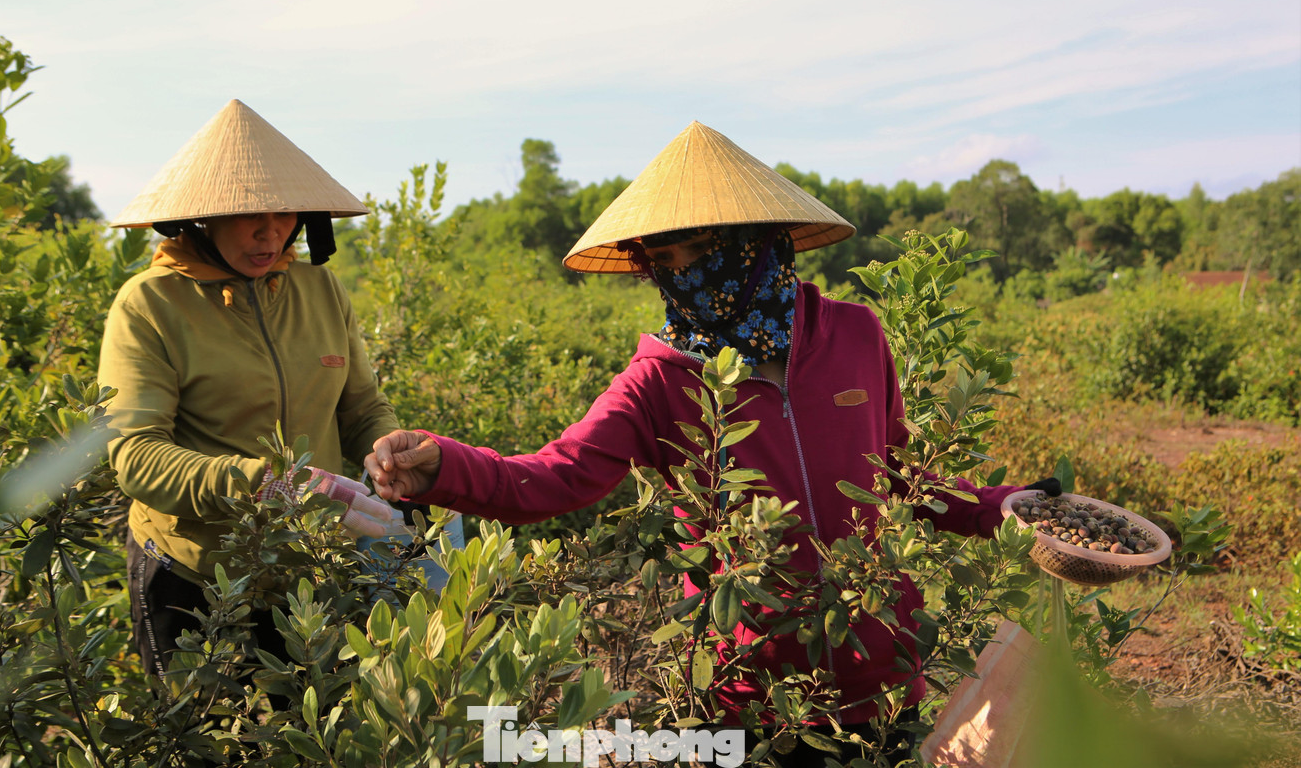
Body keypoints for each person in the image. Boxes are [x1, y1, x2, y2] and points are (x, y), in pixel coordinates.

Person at [367, 122, 1044, 764]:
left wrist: (1005, 507)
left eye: (704, 249)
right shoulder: (657, 382)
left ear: (758, 240)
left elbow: (901, 476)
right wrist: (441, 463)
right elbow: (553, 477)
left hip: (880, 671)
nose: (688, 274)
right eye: (665, 259)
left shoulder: (856, 335)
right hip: (747, 697)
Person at [100, 99, 442, 690]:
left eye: (284, 212)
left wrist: (388, 446)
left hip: (310, 568)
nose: (270, 231)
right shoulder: (150, 304)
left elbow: (360, 407)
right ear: (199, 218)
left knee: (318, 733)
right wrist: (263, 484)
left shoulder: (320, 290)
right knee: (199, 743)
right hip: (191, 570)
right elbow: (136, 457)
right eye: (247, 214)